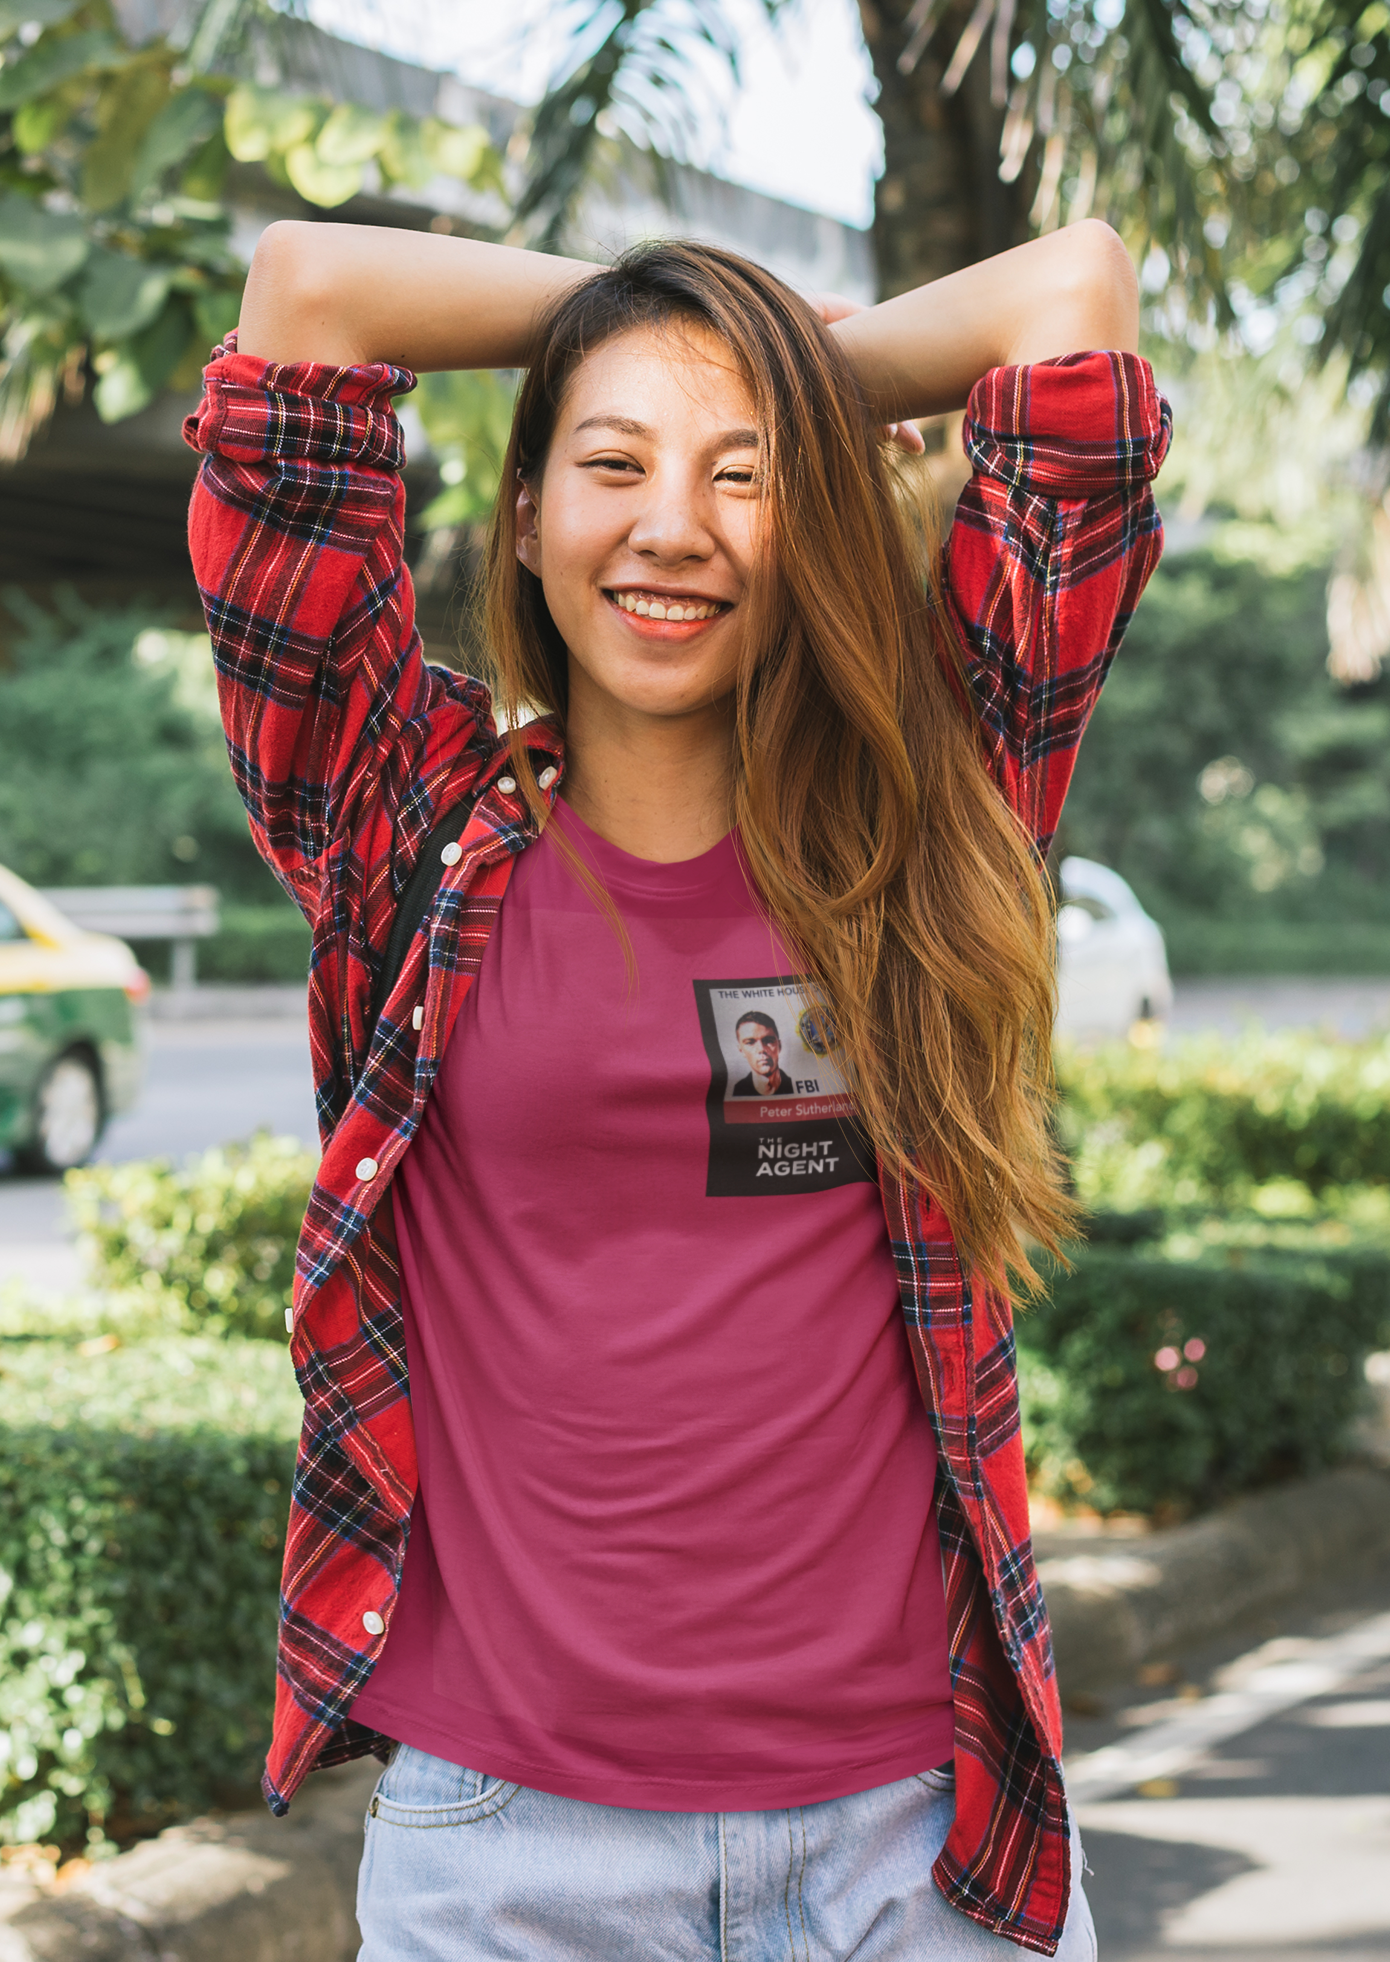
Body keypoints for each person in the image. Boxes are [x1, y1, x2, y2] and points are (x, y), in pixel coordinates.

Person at [185, 213, 1168, 1959]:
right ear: (528, 518)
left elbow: (1072, 293)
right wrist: (665, 317)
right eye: (614, 462)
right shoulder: (401, 824)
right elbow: (305, 297)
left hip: (917, 1842)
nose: (672, 526)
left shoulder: (935, 803)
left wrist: (740, 353)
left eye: (745, 475)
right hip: (510, 1851)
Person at [730, 1010, 794, 1096]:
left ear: (779, 1046)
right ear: (741, 1050)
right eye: (750, 1042)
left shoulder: (795, 1085)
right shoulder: (737, 1091)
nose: (761, 1049)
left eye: (768, 1041)